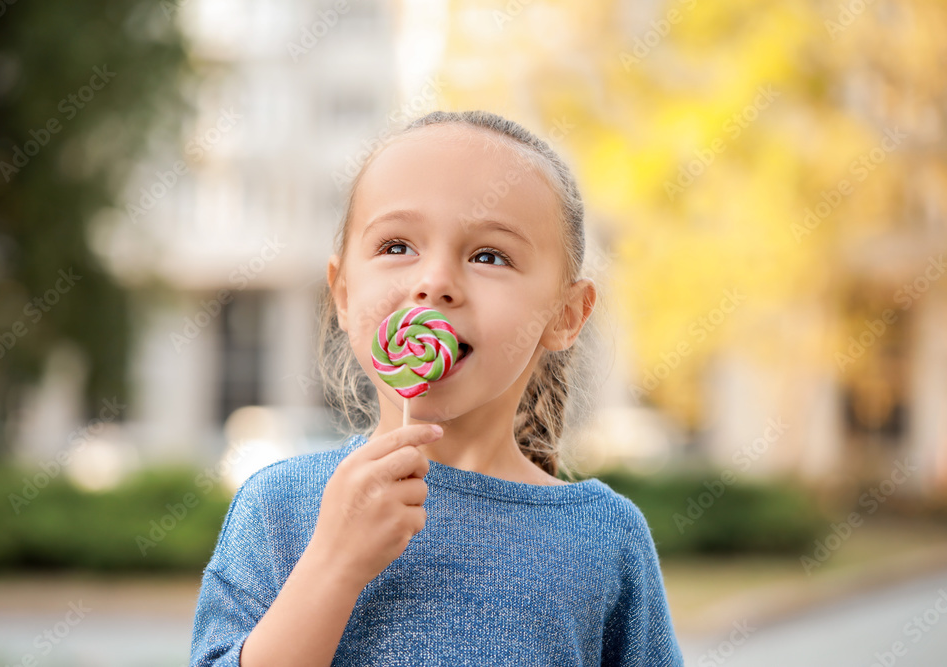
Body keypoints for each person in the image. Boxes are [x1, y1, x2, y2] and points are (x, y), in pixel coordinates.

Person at [189, 109, 685, 666]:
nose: (434, 283)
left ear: (566, 314)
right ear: (344, 295)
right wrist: (333, 564)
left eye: (488, 256)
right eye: (397, 246)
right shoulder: (279, 507)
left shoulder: (604, 537)